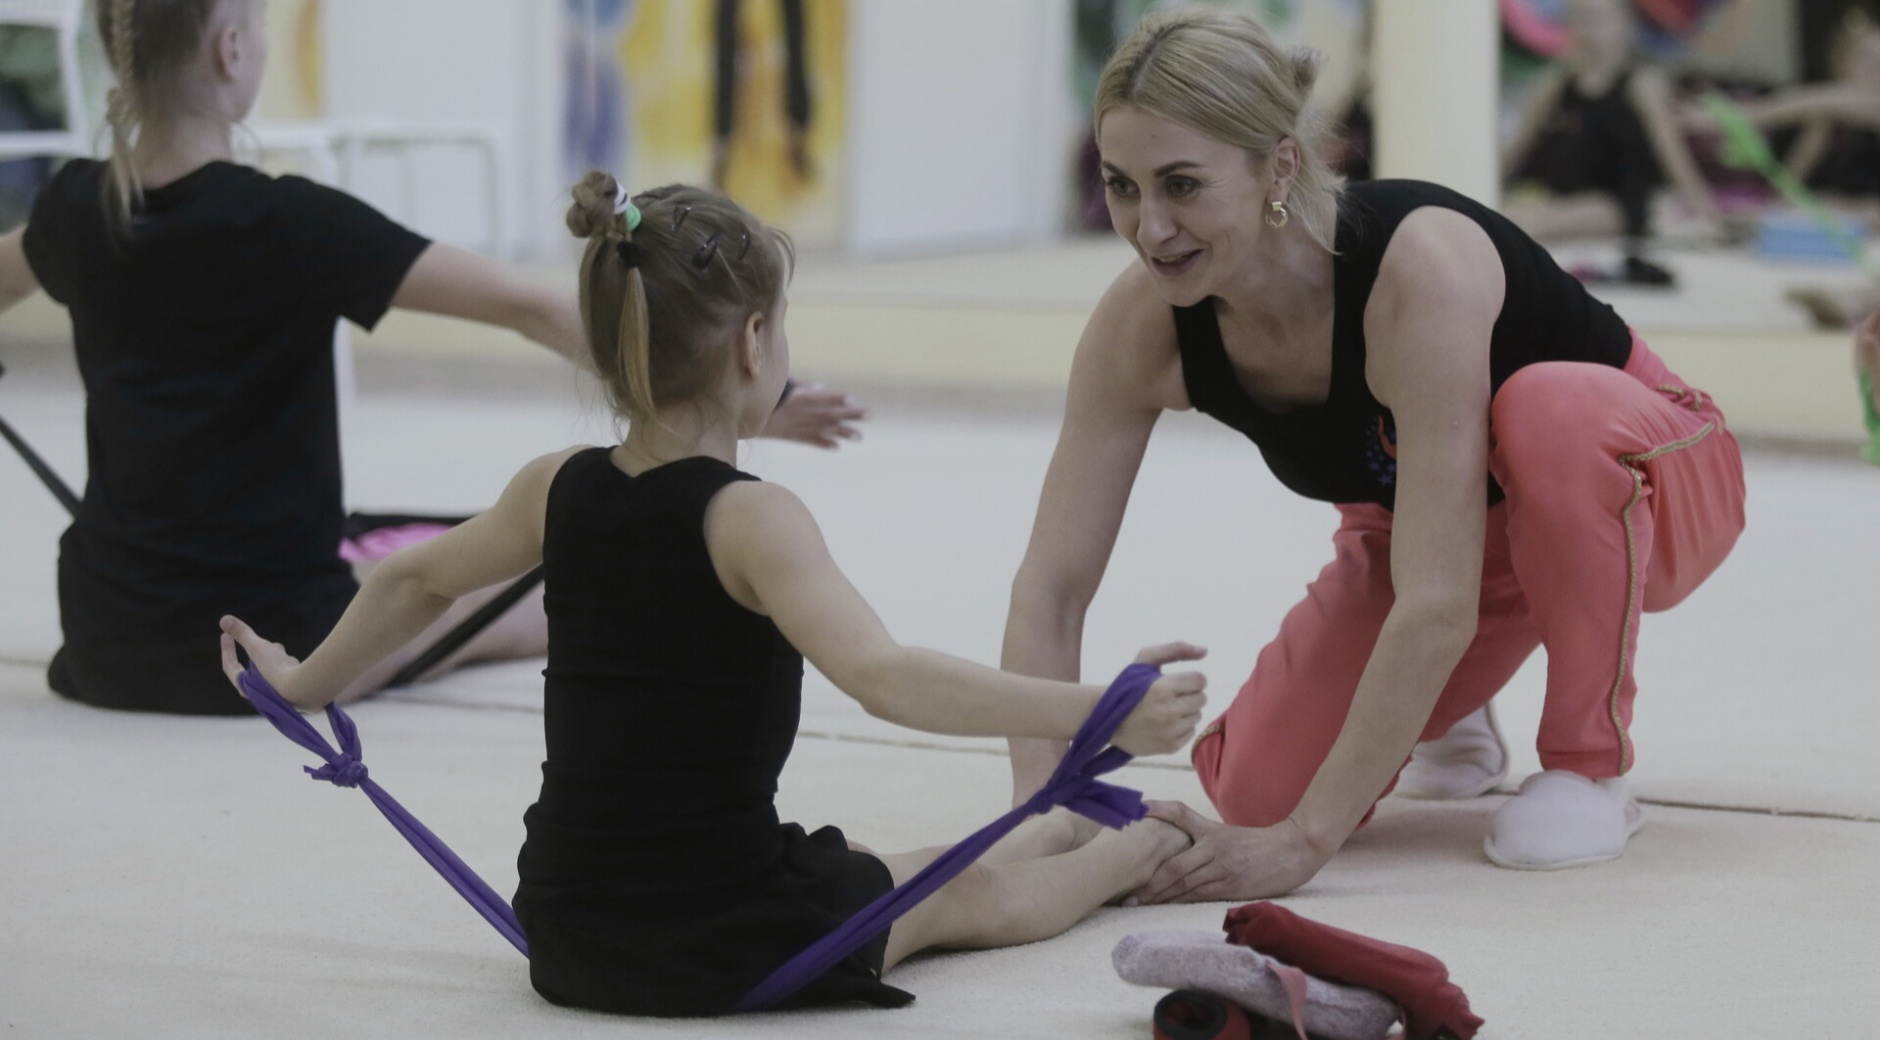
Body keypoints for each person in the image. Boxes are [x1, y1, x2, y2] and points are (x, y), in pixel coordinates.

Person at [217, 173, 1207, 1016]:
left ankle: (1055, 822)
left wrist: (304, 684)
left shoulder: (553, 486)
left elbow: (413, 574)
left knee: (886, 864)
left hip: (567, 927)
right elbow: (887, 678)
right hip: (724, 938)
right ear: (753, 342)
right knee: (962, 895)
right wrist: (1095, 709)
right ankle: (1135, 850)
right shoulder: (752, 519)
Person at [1001, 7, 1746, 901]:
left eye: (1183, 186)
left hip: (1648, 486)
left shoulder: (1417, 267)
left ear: (1280, 166)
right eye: (1122, 186)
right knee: (1256, 794)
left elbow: (1435, 603)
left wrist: (1304, 846)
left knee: (1547, 409)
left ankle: (1587, 767)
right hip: (1449, 536)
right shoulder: (1143, 324)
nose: (1150, 228)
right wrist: (1045, 806)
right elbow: (1051, 586)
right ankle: (1454, 708)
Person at [0, 0, 864, 716]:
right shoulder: (288, 221)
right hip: (278, 638)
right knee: (569, 570)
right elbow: (526, 305)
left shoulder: (74, 207)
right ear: (230, 50)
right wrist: (724, 384)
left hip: (106, 638)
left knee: (414, 542)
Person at [1501, 0, 1720, 273]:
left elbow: (1673, 154)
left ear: (1626, 24)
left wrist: (1704, 208)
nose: (1589, 28)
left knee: (1537, 222)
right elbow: (1518, 147)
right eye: (1580, 18)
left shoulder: (1642, 84)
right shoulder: (1558, 85)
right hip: (1567, 195)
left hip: (1619, 203)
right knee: (1521, 214)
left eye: (1599, 18)